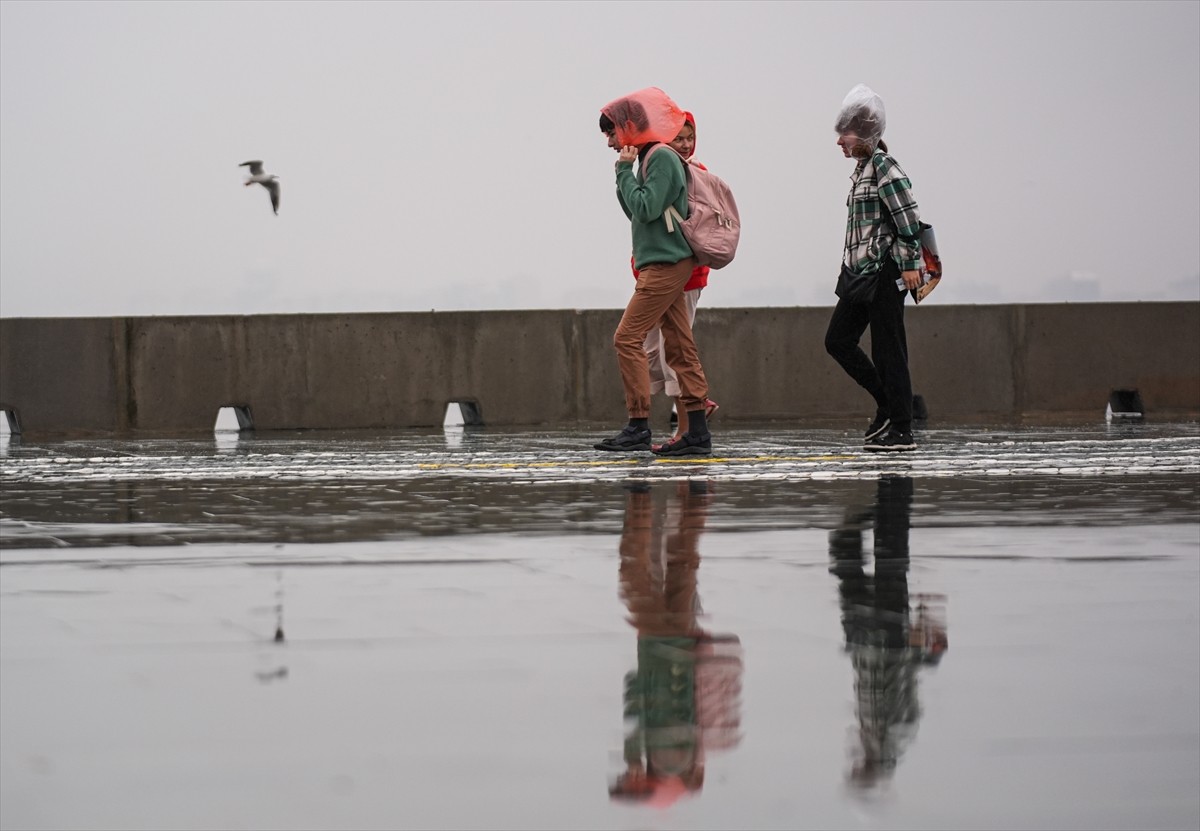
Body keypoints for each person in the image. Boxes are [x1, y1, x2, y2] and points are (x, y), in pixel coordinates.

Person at [596, 87, 714, 457]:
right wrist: (625, 175)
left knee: (626, 338)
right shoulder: (649, 157)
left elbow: (645, 208)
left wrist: (622, 172)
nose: (611, 142)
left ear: (629, 127)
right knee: (679, 346)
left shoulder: (661, 156)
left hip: (665, 264)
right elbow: (636, 211)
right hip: (658, 262)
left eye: (612, 133)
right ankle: (696, 432)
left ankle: (638, 425)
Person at [824, 84, 925, 452]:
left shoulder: (884, 167)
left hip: (885, 272)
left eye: (845, 134)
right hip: (859, 273)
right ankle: (887, 404)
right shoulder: (862, 170)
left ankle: (902, 427)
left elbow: (909, 220)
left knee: (889, 350)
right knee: (838, 341)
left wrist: (910, 264)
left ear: (866, 133)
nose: (840, 142)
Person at [631, 112, 719, 450]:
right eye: (678, 137)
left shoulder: (692, 174)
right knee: (657, 350)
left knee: (673, 352)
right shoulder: (666, 169)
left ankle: (686, 429)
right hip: (660, 273)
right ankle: (691, 419)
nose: (684, 144)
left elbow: (650, 211)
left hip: (684, 275)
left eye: (689, 137)